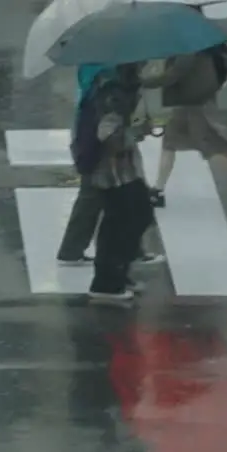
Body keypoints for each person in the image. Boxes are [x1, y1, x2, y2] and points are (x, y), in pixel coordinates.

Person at [141, 42, 227, 217]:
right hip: (187, 102)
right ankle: (158, 191)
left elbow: (174, 74)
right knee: (170, 142)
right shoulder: (203, 41)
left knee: (214, 146)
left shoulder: (189, 46)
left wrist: (144, 82)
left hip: (195, 105)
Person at [57, 63, 164, 268]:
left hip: (99, 149)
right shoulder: (112, 87)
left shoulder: (107, 76)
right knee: (126, 203)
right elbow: (108, 130)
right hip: (108, 157)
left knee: (103, 200)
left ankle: (73, 250)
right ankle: (126, 253)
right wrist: (134, 132)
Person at [83, 63, 155, 303]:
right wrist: (133, 133)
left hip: (123, 170)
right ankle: (108, 281)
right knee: (126, 219)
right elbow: (107, 134)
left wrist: (141, 125)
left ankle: (116, 275)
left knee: (128, 218)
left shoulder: (126, 87)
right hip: (113, 172)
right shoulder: (112, 91)